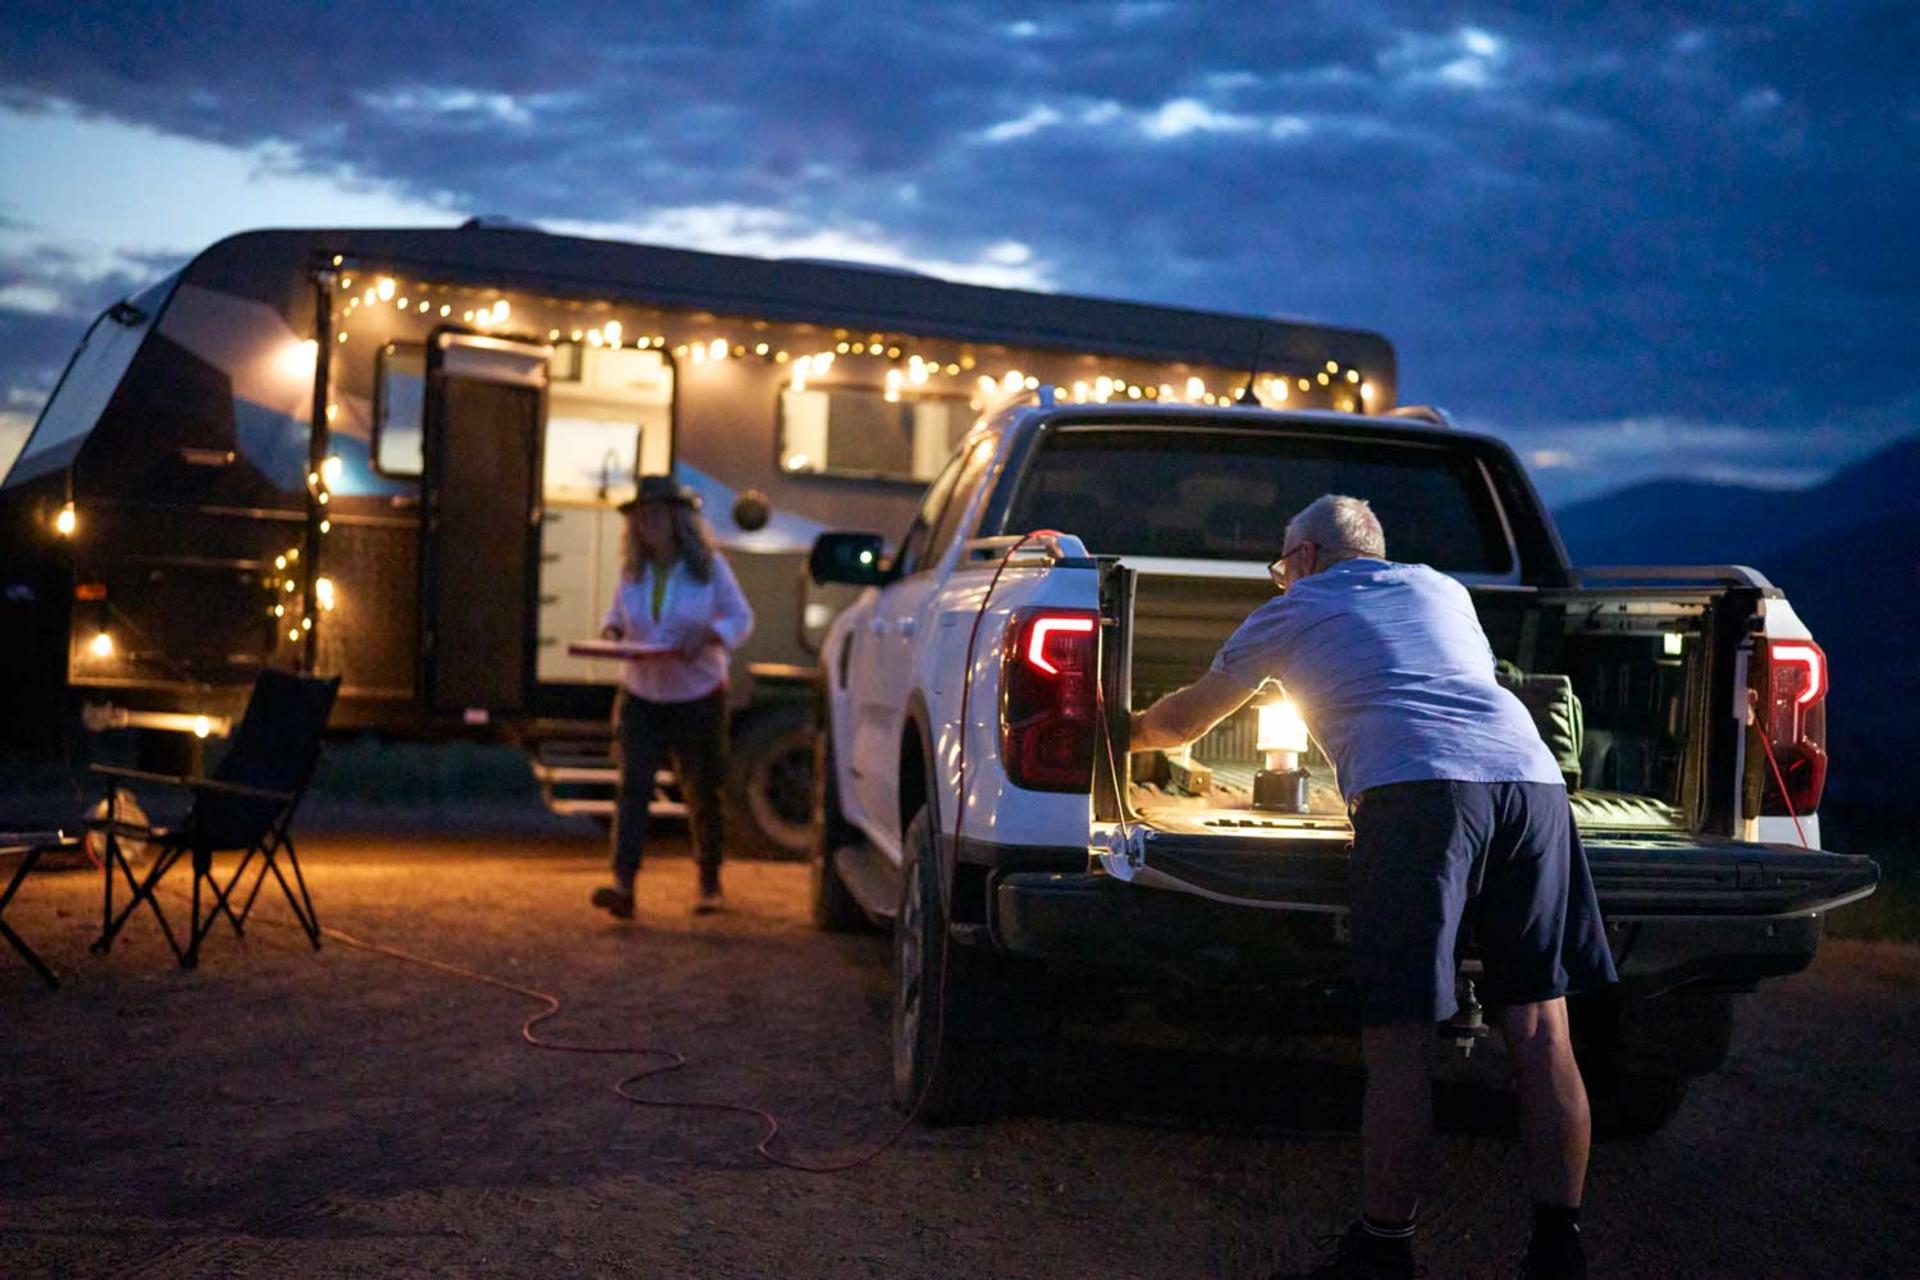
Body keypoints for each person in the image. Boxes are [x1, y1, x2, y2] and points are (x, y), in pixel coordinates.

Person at [1129, 495, 1617, 1280]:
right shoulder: (1442, 588)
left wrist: (1124, 730)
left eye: (1282, 565)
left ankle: (1384, 1252)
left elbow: (1187, 720)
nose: (1282, 578)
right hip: (1533, 787)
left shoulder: (1294, 607)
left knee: (1401, 1037)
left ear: (1305, 557)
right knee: (1539, 1026)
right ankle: (1560, 1250)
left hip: (1420, 795)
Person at [590, 476, 754, 919]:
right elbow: (616, 615)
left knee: (702, 791)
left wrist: (711, 634)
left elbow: (741, 618)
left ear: (678, 519)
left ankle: (709, 882)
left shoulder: (709, 567)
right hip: (642, 693)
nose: (648, 524)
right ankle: (623, 884)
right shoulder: (632, 570)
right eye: (642, 517)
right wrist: (612, 630)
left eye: (657, 515)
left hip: (697, 695)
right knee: (633, 787)